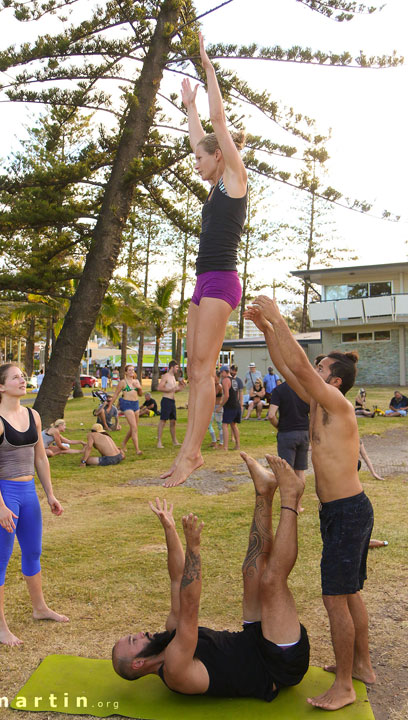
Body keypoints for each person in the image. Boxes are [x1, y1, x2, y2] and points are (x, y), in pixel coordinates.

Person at [245, 297, 375, 711]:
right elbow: (288, 368)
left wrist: (280, 318)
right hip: (341, 512)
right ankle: (362, 667)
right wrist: (266, 331)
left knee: (336, 596)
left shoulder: (337, 404)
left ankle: (344, 685)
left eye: (322, 369)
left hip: (349, 511)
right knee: (349, 592)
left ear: (334, 381)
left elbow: (300, 366)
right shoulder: (320, 401)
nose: (314, 371)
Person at [112, 454, 310, 699]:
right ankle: (291, 496)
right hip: (279, 665)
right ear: (138, 664)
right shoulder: (175, 668)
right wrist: (194, 548)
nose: (141, 633)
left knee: (252, 571)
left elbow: (177, 579)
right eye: (134, 640)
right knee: (271, 582)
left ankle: (265, 491)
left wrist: (170, 530)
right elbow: (190, 606)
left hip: (255, 638)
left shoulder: (169, 636)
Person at [160, 33, 247, 487]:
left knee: (205, 368)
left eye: (201, 155)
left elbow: (217, 122)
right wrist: (188, 106)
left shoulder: (234, 177)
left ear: (220, 156)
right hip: (202, 281)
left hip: (222, 282)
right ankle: (186, 452)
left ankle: (192, 454)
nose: (195, 160)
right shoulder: (214, 185)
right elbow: (203, 130)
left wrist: (208, 70)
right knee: (194, 368)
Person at [0, 363, 68, 647]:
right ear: (1, 387)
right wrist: (1, 506)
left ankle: (39, 608)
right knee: (0, 559)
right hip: (4, 495)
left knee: (33, 552)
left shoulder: (33, 415)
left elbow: (40, 458)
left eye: (22, 375)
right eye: (15, 377)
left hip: (28, 493)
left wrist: (50, 494)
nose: (22, 379)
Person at [268, 381, 309, 513]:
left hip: (287, 434)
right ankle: (298, 505)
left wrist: (279, 427)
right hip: (304, 433)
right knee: (300, 471)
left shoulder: (279, 390)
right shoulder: (304, 388)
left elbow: (271, 415)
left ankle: (289, 506)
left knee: (287, 472)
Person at [106, 364, 143, 455]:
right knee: (134, 428)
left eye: (133, 370)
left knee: (133, 428)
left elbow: (141, 394)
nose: (131, 372)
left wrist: (139, 387)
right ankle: (137, 449)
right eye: (129, 370)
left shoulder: (136, 381)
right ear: (126, 372)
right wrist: (110, 406)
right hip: (127, 404)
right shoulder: (123, 382)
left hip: (136, 404)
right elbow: (115, 394)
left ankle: (124, 443)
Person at [157, 361, 185, 449]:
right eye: (176, 367)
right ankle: (159, 441)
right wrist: (170, 390)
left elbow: (173, 390)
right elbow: (159, 388)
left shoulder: (173, 377)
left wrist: (180, 388)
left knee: (173, 421)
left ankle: (174, 441)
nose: (177, 369)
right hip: (166, 400)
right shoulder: (166, 376)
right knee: (163, 421)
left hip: (172, 401)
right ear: (172, 367)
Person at [219, 365, 241, 451]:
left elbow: (227, 395)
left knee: (224, 425)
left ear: (225, 372)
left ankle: (225, 447)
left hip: (230, 406)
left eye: (221, 372)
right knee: (234, 425)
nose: (221, 374)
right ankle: (237, 445)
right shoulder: (234, 380)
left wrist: (221, 405)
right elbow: (237, 393)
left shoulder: (225, 380)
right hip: (236, 405)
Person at [207, 371, 223, 447]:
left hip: (217, 406)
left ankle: (221, 442)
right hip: (211, 406)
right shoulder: (213, 385)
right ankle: (214, 440)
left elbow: (214, 394)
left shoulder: (219, 386)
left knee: (219, 424)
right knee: (209, 424)